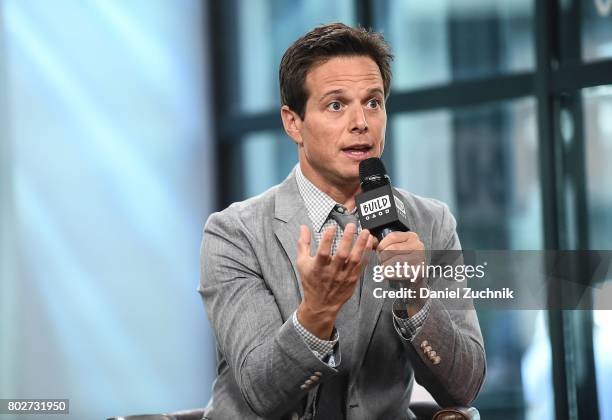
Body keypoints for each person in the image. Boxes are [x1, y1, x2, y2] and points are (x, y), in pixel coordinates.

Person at [199, 22, 485, 420]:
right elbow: (261, 392)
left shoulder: (430, 222)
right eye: (336, 105)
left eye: (373, 102)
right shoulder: (234, 234)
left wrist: (418, 299)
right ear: (293, 123)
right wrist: (316, 311)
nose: (361, 123)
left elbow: (464, 386)